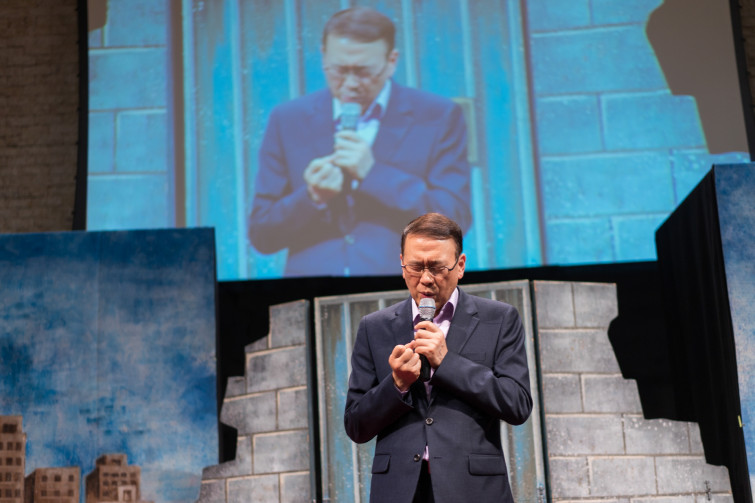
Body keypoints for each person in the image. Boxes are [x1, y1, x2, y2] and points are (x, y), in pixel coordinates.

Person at [248, 7, 471, 277]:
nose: (351, 83)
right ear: (323, 56)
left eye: (364, 72)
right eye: (339, 70)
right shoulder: (287, 120)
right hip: (311, 289)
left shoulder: (437, 116)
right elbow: (261, 235)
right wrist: (311, 198)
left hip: (402, 289)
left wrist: (374, 174)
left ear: (391, 61)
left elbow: (453, 223)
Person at [344, 213, 533, 503]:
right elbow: (356, 426)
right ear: (402, 265)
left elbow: (517, 404)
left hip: (473, 490)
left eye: (437, 267)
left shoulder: (498, 319)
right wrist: (397, 385)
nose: (426, 279)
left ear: (460, 266)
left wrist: (448, 363)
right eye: (415, 267)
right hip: (399, 491)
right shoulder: (375, 327)